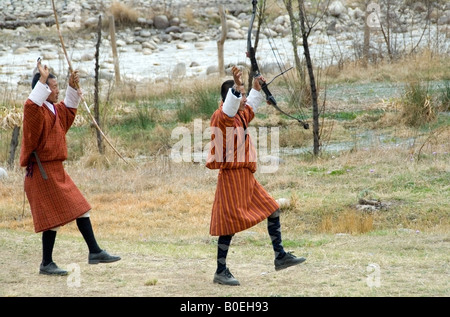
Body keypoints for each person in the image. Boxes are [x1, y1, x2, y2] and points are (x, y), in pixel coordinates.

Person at [206, 66, 306, 286]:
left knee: (272, 208)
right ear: (229, 98)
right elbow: (231, 109)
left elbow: (248, 107)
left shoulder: (239, 115)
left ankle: (280, 257)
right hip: (232, 179)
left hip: (246, 178)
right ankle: (221, 271)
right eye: (238, 95)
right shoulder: (223, 117)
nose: (243, 99)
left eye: (242, 96)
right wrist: (237, 84)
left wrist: (255, 88)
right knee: (228, 226)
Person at [19, 59, 121, 276]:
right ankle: (50, 262)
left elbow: (68, 109)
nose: (56, 91)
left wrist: (73, 87)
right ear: (43, 90)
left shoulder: (54, 110)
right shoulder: (34, 113)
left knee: (79, 208)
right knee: (56, 218)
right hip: (41, 173)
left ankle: (91, 252)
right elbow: (30, 106)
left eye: (57, 87)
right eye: (52, 88)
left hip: (54, 171)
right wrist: (44, 79)